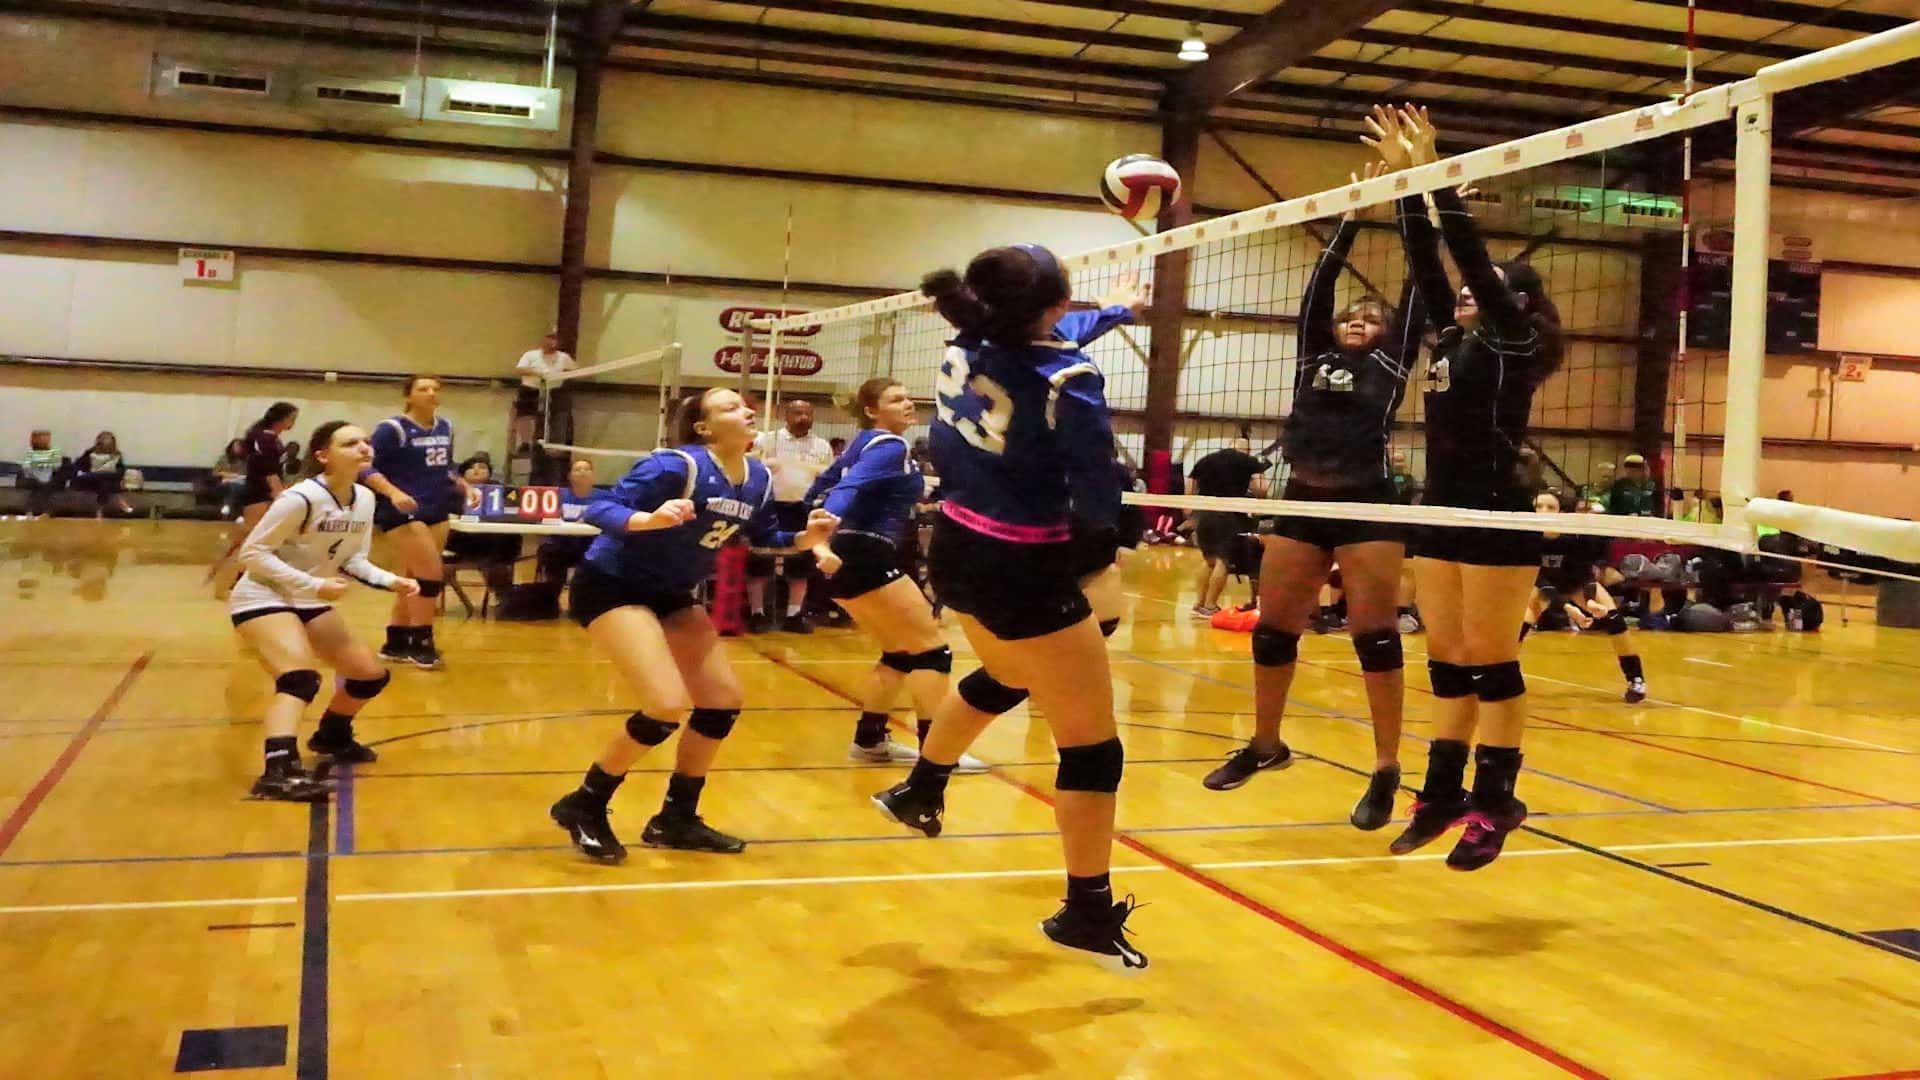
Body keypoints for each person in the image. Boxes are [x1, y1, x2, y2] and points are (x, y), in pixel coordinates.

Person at [870, 245, 1149, 974]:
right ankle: (1086, 911)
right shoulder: (1070, 378)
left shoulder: (968, 341)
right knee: (1093, 748)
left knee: (1007, 675)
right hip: (1022, 562)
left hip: (954, 546)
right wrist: (1107, 544)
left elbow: (1044, 339)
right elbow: (1098, 488)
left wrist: (1115, 310)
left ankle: (921, 788)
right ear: (1052, 305)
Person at [1201, 158, 1427, 834]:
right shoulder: (1312, 357)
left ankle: (1386, 767)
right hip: (1302, 500)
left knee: (1375, 637)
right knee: (1273, 632)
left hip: (1366, 505)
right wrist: (1352, 216)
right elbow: (1318, 290)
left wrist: (1417, 208)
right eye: (1352, 317)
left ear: (1387, 334)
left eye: (1372, 318)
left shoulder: (1390, 363)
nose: (1360, 321)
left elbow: (1419, 291)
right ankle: (1266, 744)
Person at [1376, 105, 1566, 870]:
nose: (1461, 297)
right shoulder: (1454, 338)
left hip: (1495, 508)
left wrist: (1439, 175)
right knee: (1447, 657)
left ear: (1514, 302)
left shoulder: (1515, 342)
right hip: (1442, 507)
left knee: (1490, 657)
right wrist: (1406, 185)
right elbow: (1430, 263)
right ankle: (1442, 791)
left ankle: (1498, 799)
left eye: (1478, 292)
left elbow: (1470, 260)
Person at [547, 387, 837, 860]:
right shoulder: (676, 465)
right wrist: (648, 519)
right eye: (729, 407)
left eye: (745, 405)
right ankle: (586, 803)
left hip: (673, 592)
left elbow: (765, 535)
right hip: (613, 584)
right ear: (703, 428)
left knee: (721, 701)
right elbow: (600, 508)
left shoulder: (758, 478)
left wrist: (806, 538)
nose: (746, 410)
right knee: (664, 705)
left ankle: (676, 818)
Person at [230, 421, 419, 801]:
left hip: (309, 598)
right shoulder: (300, 498)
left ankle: (332, 736)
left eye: (366, 442)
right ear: (323, 456)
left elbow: (353, 559)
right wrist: (313, 584)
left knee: (368, 676)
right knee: (299, 678)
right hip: (263, 595)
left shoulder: (363, 498)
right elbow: (251, 553)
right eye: (350, 443)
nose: (364, 448)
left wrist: (390, 580)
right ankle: (277, 773)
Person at [809, 378, 989, 770]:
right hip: (866, 553)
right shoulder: (890, 445)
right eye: (896, 399)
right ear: (872, 410)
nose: (908, 403)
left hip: (847, 553)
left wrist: (815, 520)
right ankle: (937, 753)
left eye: (908, 397)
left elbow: (824, 483)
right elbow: (848, 485)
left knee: (899, 652)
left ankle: (869, 740)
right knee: (933, 651)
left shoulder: (861, 443)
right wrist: (825, 520)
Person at [364, 376, 466, 669]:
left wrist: (463, 484)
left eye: (435, 389)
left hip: (437, 507)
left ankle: (396, 642)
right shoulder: (391, 429)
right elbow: (366, 468)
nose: (431, 393)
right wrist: (393, 493)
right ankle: (422, 642)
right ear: (408, 396)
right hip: (401, 510)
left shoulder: (445, 427)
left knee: (414, 575)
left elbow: (445, 466)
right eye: (423, 389)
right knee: (430, 576)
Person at [1524, 491, 1648, 703]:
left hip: (1575, 582)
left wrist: (1589, 601)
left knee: (1614, 619)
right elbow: (1539, 581)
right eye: (1538, 506)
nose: (1544, 511)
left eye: (1550, 507)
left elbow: (1584, 575)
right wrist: (1569, 609)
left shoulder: (1574, 537)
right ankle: (1499, 677)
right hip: (1541, 586)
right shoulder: (1525, 539)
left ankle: (1636, 679)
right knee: (1520, 625)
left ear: (1562, 513)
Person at [747, 398, 835, 633]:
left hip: (802, 508)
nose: (803, 418)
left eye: (808, 413)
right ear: (786, 416)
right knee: (760, 560)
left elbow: (829, 477)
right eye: (797, 413)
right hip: (770, 506)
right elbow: (751, 468)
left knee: (801, 564)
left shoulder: (822, 446)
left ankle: (794, 615)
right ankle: (757, 614)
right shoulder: (768, 440)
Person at [214, 403, 301, 596]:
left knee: (266, 541)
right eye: (292, 418)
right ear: (281, 418)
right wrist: (279, 494)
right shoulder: (263, 438)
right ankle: (225, 583)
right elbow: (267, 471)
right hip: (258, 494)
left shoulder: (271, 439)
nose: (293, 423)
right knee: (250, 539)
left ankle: (250, 581)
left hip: (265, 493)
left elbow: (275, 470)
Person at [1186, 439, 1270, 618]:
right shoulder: (1249, 461)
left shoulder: (1207, 459)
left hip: (1204, 513)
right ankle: (1210, 606)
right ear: (1247, 449)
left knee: (1209, 560)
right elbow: (1261, 488)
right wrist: (1259, 500)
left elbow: (1190, 484)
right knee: (1223, 561)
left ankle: (1199, 604)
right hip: (1229, 514)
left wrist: (1189, 510)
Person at [536, 459, 601, 583]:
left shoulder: (605, 497)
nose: (582, 472)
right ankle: (552, 589)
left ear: (593, 475)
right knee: (550, 551)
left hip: (590, 545)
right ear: (569, 476)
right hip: (561, 544)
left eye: (587, 469)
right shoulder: (556, 494)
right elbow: (543, 517)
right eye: (577, 469)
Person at [513, 331, 576, 451]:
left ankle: (552, 444)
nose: (551, 343)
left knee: (556, 416)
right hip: (531, 389)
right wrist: (537, 373)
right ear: (543, 341)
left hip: (553, 391)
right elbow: (519, 369)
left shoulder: (564, 357)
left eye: (554, 340)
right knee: (524, 416)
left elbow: (575, 370)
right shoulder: (530, 355)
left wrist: (562, 374)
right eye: (548, 339)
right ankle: (526, 442)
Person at [70, 431, 131, 517]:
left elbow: (119, 473)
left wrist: (99, 474)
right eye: (104, 445)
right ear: (99, 444)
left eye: (109, 446)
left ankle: (100, 508)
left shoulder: (116, 455)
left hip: (105, 481)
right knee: (106, 481)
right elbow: (78, 470)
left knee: (106, 482)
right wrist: (93, 474)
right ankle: (118, 502)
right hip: (91, 482)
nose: (106, 448)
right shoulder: (89, 454)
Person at [17, 429, 62, 518]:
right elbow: (26, 466)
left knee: (46, 487)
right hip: (31, 476)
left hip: (48, 476)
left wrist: (40, 463)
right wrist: (43, 464)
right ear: (36, 440)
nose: (47, 441)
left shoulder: (54, 451)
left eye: (47, 439)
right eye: (43, 438)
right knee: (35, 487)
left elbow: (57, 465)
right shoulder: (30, 452)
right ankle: (29, 511)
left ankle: (46, 512)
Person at [211, 438, 249, 518]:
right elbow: (215, 473)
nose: (237, 448)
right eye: (235, 446)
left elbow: (248, 474)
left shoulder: (246, 460)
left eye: (239, 446)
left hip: (241, 484)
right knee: (232, 486)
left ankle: (227, 506)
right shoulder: (224, 458)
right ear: (231, 447)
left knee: (236, 487)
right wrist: (228, 475)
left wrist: (239, 477)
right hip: (225, 483)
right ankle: (237, 514)